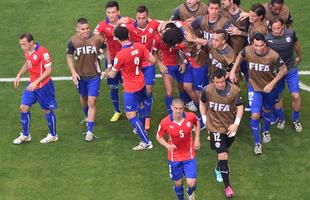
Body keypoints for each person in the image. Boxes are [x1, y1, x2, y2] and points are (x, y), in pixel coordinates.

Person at [229, 32, 288, 155]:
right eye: (256, 45)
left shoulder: (273, 55)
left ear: (265, 44)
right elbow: (240, 55)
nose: (258, 48)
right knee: (255, 115)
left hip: (269, 89)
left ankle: (266, 130)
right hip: (254, 87)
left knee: (267, 111)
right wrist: (233, 70)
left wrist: (272, 83)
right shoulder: (248, 50)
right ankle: (257, 143)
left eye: (261, 45)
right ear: (252, 44)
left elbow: (284, 69)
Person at [102, 26, 156, 150]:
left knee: (130, 115)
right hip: (141, 82)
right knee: (141, 106)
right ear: (128, 35)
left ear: (117, 39)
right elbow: (152, 60)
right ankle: (141, 130)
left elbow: (113, 74)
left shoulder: (120, 55)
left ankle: (146, 142)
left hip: (131, 88)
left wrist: (105, 73)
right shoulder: (139, 46)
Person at [200, 68, 244, 198]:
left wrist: (236, 123)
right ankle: (228, 187)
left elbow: (240, 106)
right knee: (223, 155)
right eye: (217, 82)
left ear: (225, 78)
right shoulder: (207, 90)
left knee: (225, 149)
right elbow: (202, 103)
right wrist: (204, 120)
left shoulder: (234, 91)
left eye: (222, 81)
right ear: (212, 81)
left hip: (229, 126)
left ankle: (219, 167)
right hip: (214, 127)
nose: (220, 84)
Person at [13, 33, 58, 144]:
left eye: (24, 44)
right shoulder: (27, 51)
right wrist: (19, 74)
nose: (22, 47)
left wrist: (36, 82)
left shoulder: (43, 52)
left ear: (31, 42)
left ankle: (53, 135)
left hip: (44, 86)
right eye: (21, 45)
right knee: (23, 107)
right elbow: (28, 63)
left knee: (46, 110)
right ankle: (26, 135)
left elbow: (49, 70)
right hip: (32, 85)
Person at [124, 5, 161, 130]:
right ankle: (141, 113)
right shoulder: (130, 27)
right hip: (136, 64)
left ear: (147, 17)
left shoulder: (154, 24)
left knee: (149, 90)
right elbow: (117, 31)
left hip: (149, 63)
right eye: (139, 18)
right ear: (136, 17)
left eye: (144, 18)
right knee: (138, 91)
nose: (141, 20)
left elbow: (167, 23)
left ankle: (147, 117)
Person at [66, 18, 104, 142]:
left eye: (87, 28)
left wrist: (108, 66)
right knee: (83, 99)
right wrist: (73, 73)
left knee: (91, 101)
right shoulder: (72, 41)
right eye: (83, 29)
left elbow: (106, 48)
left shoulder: (97, 39)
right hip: (81, 76)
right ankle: (87, 116)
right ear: (77, 29)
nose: (86, 31)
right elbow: (69, 56)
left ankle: (89, 131)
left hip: (94, 75)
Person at [156, 98, 200, 200]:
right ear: (171, 107)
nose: (178, 111)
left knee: (192, 183)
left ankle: (190, 192)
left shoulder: (190, 116)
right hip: (174, 156)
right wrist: (168, 146)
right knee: (178, 183)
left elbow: (197, 123)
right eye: (176, 108)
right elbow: (158, 136)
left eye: (180, 108)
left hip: (189, 154)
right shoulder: (165, 122)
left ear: (183, 108)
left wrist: (197, 138)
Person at [266, 18, 303, 132]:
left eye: (278, 28)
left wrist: (300, 56)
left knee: (296, 96)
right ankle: (281, 119)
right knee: (278, 96)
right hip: (277, 72)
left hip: (291, 68)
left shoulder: (290, 34)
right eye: (273, 29)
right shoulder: (267, 38)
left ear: (283, 26)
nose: (276, 31)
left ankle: (296, 120)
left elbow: (296, 45)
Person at [94, 1, 125, 122]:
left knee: (128, 85)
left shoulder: (126, 22)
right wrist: (99, 40)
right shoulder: (102, 25)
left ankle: (134, 109)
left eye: (113, 12)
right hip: (110, 59)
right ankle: (117, 111)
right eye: (108, 13)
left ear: (118, 12)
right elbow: (95, 35)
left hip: (126, 59)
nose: (111, 15)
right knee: (113, 87)